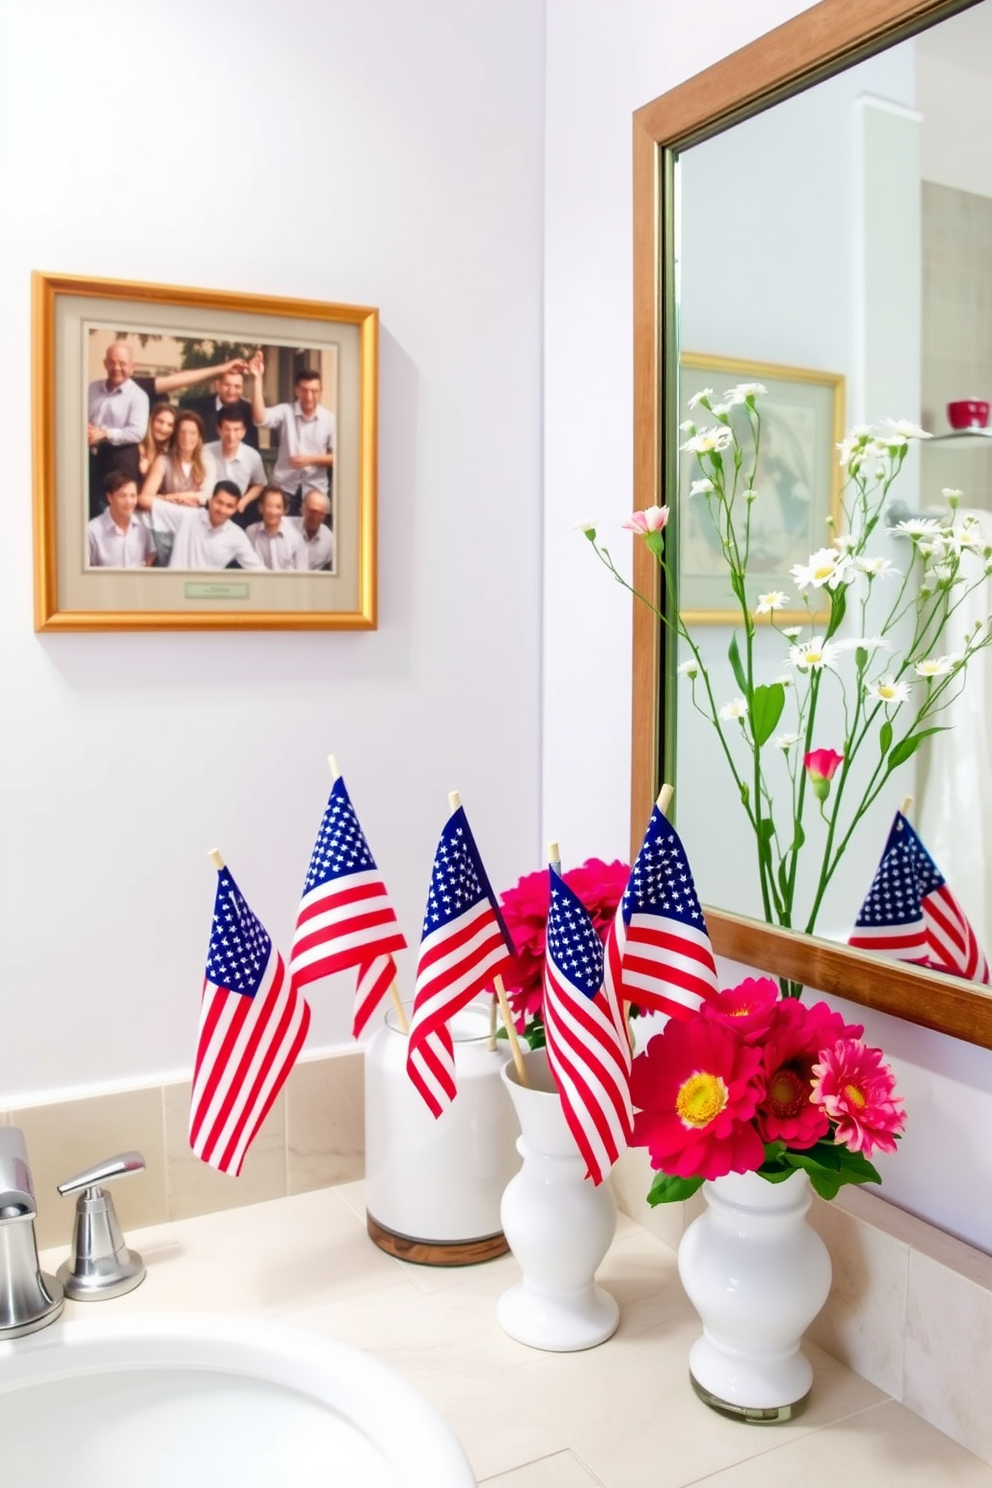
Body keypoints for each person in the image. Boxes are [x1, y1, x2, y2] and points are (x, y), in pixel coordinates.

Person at [249, 355, 334, 515]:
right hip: (284, 486)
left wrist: (311, 459)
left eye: (314, 391)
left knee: (313, 534)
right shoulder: (285, 411)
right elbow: (259, 420)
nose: (309, 396)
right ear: (296, 390)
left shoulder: (330, 419)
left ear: (321, 392)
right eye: (304, 390)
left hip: (315, 489)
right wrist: (257, 380)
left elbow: (339, 457)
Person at [138, 479, 266, 571]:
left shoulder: (237, 536)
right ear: (210, 500)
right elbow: (144, 501)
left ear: (234, 510)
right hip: (175, 593)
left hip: (208, 598)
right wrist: (173, 497)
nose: (222, 509)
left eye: (229, 506)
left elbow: (257, 570)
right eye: (219, 502)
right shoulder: (186, 516)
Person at [87, 341, 150, 516]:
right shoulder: (91, 389)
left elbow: (137, 432)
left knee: (109, 512)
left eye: (122, 363)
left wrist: (104, 434)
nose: (117, 368)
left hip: (118, 461)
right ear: (105, 363)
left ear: (132, 366)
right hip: (88, 459)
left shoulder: (138, 396)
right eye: (112, 362)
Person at [204, 408, 266, 525]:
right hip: (209, 507)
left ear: (244, 432)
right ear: (219, 429)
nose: (231, 436)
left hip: (237, 510)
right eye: (227, 429)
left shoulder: (252, 456)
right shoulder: (206, 451)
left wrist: (243, 501)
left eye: (237, 430)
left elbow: (260, 484)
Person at [86, 471, 156, 568]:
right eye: (122, 496)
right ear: (110, 497)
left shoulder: (143, 525)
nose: (129, 501)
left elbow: (150, 558)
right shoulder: (91, 530)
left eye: (133, 495)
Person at [182, 365, 259, 448]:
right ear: (217, 385)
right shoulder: (198, 408)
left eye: (237, 387)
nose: (231, 391)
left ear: (242, 389)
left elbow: (252, 448)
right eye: (227, 385)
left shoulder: (249, 412)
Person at [247, 485, 308, 571]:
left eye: (278, 507)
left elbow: (302, 573)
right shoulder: (250, 532)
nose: (273, 511)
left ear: (284, 511)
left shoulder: (296, 537)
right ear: (260, 508)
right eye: (269, 506)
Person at [288, 487, 335, 571]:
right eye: (312, 511)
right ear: (302, 510)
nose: (315, 517)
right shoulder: (285, 526)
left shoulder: (330, 540)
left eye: (321, 513)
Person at [138, 401, 177, 481]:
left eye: (170, 425)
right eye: (160, 421)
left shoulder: (164, 453)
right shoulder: (137, 448)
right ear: (151, 420)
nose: (163, 428)